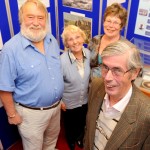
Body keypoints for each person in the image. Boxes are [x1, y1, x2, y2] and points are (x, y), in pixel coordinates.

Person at [0, 0, 64, 150]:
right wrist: (11, 114)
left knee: (51, 141)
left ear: (45, 20)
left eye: (40, 18)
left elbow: (55, 73)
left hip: (55, 109)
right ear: (21, 19)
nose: (36, 23)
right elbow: (4, 87)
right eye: (30, 17)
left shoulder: (51, 40)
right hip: (31, 115)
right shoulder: (11, 50)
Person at [84, 40, 150, 150]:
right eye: (105, 67)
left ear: (134, 73)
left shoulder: (146, 115)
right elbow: (89, 129)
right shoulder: (96, 86)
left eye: (117, 70)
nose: (107, 78)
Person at [61, 25, 90, 150]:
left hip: (85, 99)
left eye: (77, 37)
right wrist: (60, 101)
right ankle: (71, 140)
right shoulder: (61, 61)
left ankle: (79, 137)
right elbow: (57, 83)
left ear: (83, 38)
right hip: (69, 102)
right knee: (70, 124)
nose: (75, 41)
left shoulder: (89, 54)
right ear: (67, 43)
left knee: (82, 121)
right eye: (70, 39)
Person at [89, 3, 127, 78]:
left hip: (111, 87)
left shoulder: (125, 47)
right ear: (104, 22)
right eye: (108, 21)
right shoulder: (95, 40)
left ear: (121, 26)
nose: (111, 26)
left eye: (116, 22)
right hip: (91, 86)